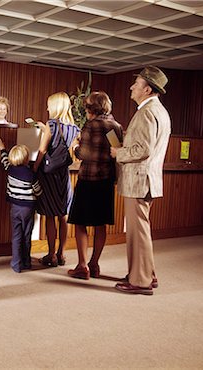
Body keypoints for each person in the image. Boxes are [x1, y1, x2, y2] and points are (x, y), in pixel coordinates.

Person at [110, 66, 171, 295]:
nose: (131, 87)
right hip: (148, 179)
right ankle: (147, 274)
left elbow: (142, 149)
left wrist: (119, 153)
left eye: (136, 84)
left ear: (147, 89)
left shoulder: (146, 112)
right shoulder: (160, 111)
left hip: (139, 180)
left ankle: (141, 281)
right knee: (142, 231)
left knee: (138, 232)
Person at [67, 91, 123, 279]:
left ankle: (82, 266)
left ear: (91, 108)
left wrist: (74, 146)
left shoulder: (91, 126)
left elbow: (84, 154)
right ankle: (95, 264)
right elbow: (116, 152)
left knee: (80, 222)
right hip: (105, 182)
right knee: (100, 224)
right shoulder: (116, 126)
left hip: (88, 180)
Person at [33, 92, 80, 267]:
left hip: (49, 174)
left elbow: (43, 150)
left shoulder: (51, 125)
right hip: (64, 175)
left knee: (50, 216)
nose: (47, 108)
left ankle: (51, 255)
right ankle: (62, 254)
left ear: (55, 106)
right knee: (63, 215)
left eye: (49, 105)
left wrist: (35, 168)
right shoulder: (75, 128)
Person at [0, 138, 43, 272]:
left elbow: (4, 160)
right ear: (26, 159)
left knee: (16, 236)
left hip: (15, 208)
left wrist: (2, 148)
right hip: (28, 209)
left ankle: (16, 264)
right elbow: (37, 191)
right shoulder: (30, 174)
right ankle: (27, 262)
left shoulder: (10, 169)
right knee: (27, 235)